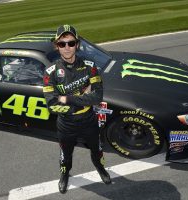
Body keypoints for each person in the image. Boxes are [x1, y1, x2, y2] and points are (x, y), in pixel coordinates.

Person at [43, 24, 111, 194]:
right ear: (56, 46)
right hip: (66, 124)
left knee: (97, 150)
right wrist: (81, 100)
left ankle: (101, 169)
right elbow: (52, 105)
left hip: (89, 121)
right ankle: (64, 175)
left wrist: (68, 98)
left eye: (71, 43)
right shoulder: (50, 72)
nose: (67, 48)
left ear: (77, 44)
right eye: (62, 44)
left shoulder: (90, 66)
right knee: (65, 155)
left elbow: (97, 97)